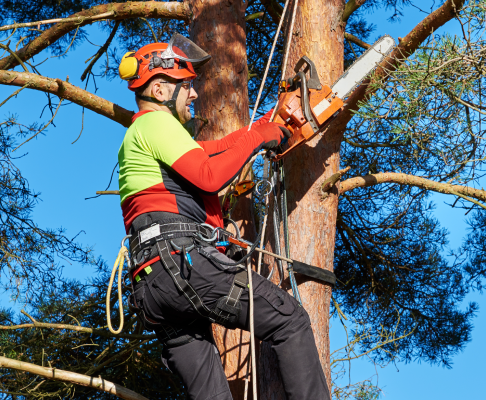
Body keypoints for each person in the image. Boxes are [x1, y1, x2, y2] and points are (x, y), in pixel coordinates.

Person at [116, 33, 331, 400]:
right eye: (186, 86)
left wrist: (266, 127)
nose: (194, 94)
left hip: (153, 288)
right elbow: (211, 175)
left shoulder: (143, 137)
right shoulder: (155, 124)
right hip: (179, 263)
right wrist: (255, 139)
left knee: (210, 393)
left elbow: (214, 151)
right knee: (290, 319)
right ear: (160, 91)